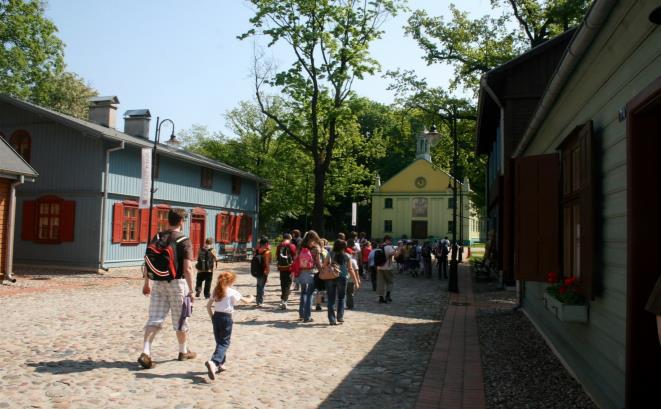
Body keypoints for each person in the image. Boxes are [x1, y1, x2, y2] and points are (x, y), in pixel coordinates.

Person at [138, 208, 196, 369]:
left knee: (155, 318)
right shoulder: (184, 240)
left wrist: (146, 283)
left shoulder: (157, 237)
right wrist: (191, 291)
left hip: (158, 283)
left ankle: (146, 352)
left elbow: (148, 262)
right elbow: (188, 269)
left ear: (168, 220)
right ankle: (183, 351)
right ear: (181, 221)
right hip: (177, 284)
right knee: (181, 318)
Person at [204, 271, 254, 380]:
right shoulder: (232, 292)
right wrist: (252, 297)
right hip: (226, 318)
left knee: (219, 341)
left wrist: (212, 318)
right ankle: (214, 362)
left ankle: (220, 364)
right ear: (231, 281)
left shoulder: (216, 291)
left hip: (216, 317)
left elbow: (208, 306)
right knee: (224, 342)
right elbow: (246, 301)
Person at [323, 240, 360, 324]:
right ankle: (340, 317)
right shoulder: (347, 256)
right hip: (342, 278)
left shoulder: (330, 254)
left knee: (331, 299)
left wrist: (330, 265)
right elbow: (350, 269)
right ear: (344, 247)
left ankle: (332, 319)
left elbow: (324, 265)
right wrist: (356, 281)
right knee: (341, 298)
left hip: (330, 277)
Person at [296, 230, 323, 323]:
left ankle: (301, 314)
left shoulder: (300, 246)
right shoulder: (315, 248)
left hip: (301, 272)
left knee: (303, 293)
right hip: (311, 272)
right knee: (310, 294)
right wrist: (322, 271)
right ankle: (307, 317)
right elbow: (318, 263)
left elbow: (296, 258)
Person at [276, 233, 297, 309]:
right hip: (289, 267)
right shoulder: (292, 246)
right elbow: (294, 257)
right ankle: (284, 301)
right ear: (289, 238)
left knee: (282, 283)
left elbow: (277, 256)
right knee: (288, 284)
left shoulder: (279, 246)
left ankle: (282, 300)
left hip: (281, 267)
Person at [376, 235, 397, 304]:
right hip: (388, 267)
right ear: (388, 240)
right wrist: (399, 249)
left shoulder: (379, 247)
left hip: (379, 267)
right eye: (390, 240)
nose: (391, 241)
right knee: (390, 282)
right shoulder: (389, 247)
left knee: (380, 283)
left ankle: (381, 297)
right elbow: (395, 255)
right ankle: (388, 295)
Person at [254, 237, 271, 307]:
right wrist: (268, 271)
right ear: (266, 244)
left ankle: (258, 300)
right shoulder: (267, 252)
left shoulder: (257, 251)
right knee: (262, 286)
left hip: (257, 270)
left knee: (258, 285)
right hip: (263, 271)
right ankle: (260, 301)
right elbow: (267, 263)